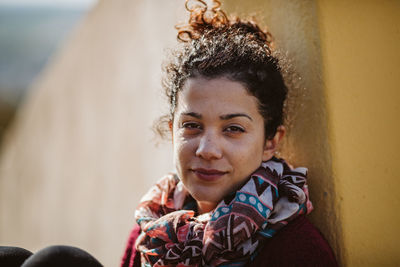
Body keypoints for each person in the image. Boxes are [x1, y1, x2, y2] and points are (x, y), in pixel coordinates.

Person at [121, 0, 338, 266]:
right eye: (192, 125)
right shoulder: (148, 235)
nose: (207, 150)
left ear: (270, 141)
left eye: (233, 129)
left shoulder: (295, 251)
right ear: (172, 130)